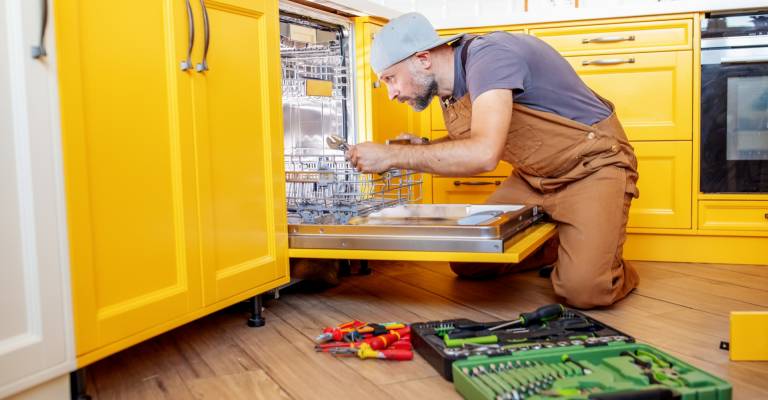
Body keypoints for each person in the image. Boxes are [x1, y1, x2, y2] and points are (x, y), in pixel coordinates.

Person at [345, 12, 640, 309]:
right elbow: (474, 138)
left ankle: (606, 265)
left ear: (423, 59)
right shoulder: (449, 90)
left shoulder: (490, 57)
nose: (391, 94)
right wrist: (424, 146)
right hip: (533, 178)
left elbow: (484, 153)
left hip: (592, 168)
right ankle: (563, 244)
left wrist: (393, 156)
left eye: (390, 79)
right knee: (469, 261)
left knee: (584, 291)